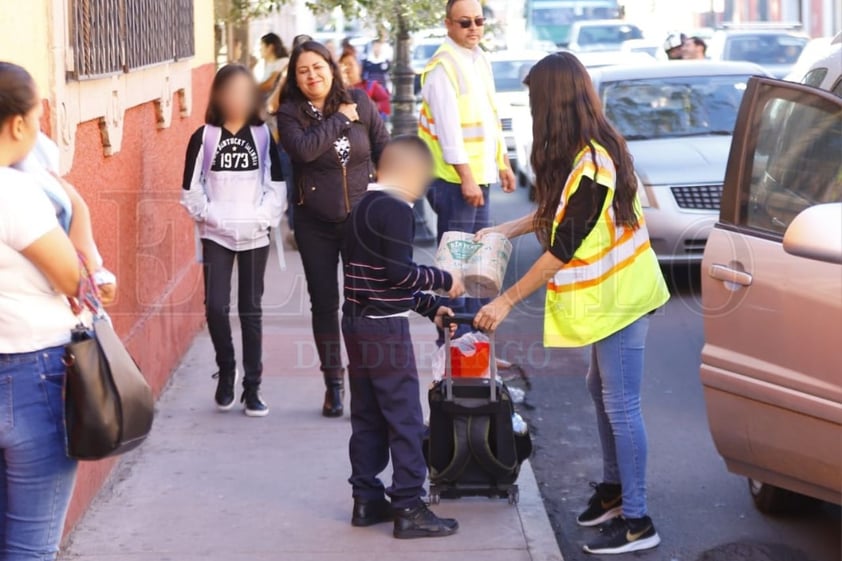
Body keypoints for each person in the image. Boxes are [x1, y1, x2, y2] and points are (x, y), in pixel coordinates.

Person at [473, 52, 670, 555]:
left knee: (620, 404)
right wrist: (505, 228)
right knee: (600, 388)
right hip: (612, 297)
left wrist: (506, 301)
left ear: (553, 101)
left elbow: (564, 248)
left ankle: (638, 520)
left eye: (535, 99)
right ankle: (613, 491)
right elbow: (554, 216)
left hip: (624, 296)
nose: (531, 111)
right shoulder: (581, 151)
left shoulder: (595, 162)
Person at [342, 136, 464, 539]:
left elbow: (379, 278)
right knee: (406, 419)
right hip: (384, 330)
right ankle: (409, 505)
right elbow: (398, 273)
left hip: (357, 323)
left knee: (368, 416)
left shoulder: (360, 206)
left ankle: (366, 499)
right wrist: (446, 281)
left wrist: (430, 306)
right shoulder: (395, 209)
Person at [276, 41, 389, 418]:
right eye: (303, 70)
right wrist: (340, 119)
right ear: (295, 77)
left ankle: (366, 382)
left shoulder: (361, 99)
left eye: (318, 67)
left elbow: (383, 148)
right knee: (324, 305)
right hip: (315, 225)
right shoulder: (290, 113)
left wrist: (383, 199)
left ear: (330, 67)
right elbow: (304, 151)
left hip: (361, 221)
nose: (312, 75)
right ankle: (334, 384)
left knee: (363, 304)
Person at [0, 61, 83, 561]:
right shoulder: (14, 194)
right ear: (17, 125)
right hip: (32, 375)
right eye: (38, 117)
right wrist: (85, 221)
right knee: (30, 548)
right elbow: (75, 281)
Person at [182, 64, 286, 417]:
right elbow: (190, 190)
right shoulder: (204, 137)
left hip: (255, 236)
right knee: (214, 307)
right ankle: (227, 370)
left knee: (251, 309)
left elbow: (278, 187)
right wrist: (217, 219)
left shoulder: (262, 136)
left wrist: (260, 219)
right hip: (216, 235)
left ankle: (252, 388)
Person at [418, 0, 516, 345]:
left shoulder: (479, 58)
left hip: (480, 176)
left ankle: (479, 349)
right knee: (457, 269)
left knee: (481, 268)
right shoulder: (443, 67)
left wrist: (502, 163)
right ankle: (455, 350)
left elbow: (490, 117)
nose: (473, 27)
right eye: (464, 22)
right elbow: (449, 132)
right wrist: (467, 177)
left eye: (478, 21)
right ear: (448, 25)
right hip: (455, 181)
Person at [339, 48, 391, 120]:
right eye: (343, 65)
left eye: (350, 64)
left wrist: (371, 107)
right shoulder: (338, 90)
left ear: (359, 67)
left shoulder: (371, 86)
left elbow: (387, 104)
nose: (347, 68)